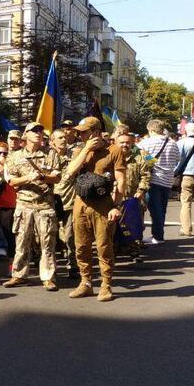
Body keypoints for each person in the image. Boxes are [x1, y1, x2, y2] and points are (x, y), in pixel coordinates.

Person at [64, 117, 127, 302]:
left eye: (84, 131)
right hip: (81, 203)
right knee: (81, 246)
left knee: (103, 246)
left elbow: (121, 180)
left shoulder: (114, 150)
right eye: (80, 132)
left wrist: (116, 206)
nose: (80, 134)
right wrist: (86, 149)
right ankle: (86, 283)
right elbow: (70, 171)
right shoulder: (80, 150)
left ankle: (106, 285)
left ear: (96, 132)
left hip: (103, 205)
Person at [3, 122, 61, 291]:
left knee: (47, 243)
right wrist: (29, 177)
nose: (38, 133)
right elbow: (11, 181)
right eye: (34, 130)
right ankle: (19, 275)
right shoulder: (15, 156)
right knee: (21, 241)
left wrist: (43, 177)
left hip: (45, 204)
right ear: (25, 135)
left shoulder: (50, 153)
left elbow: (56, 177)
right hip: (24, 204)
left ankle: (48, 277)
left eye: (40, 130)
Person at [47, 129, 77, 278]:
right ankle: (51, 269)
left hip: (70, 201)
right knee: (50, 237)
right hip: (52, 201)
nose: (63, 140)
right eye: (59, 138)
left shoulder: (74, 155)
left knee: (71, 236)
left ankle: (72, 266)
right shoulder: (46, 156)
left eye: (65, 137)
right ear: (52, 141)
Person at [115, 132, 150, 263]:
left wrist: (142, 190)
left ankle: (134, 251)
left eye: (127, 142)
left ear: (133, 142)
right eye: (122, 142)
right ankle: (115, 250)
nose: (125, 145)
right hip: (114, 199)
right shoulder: (110, 156)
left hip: (133, 199)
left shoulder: (142, 155)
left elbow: (147, 173)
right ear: (115, 142)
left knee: (133, 227)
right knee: (114, 228)